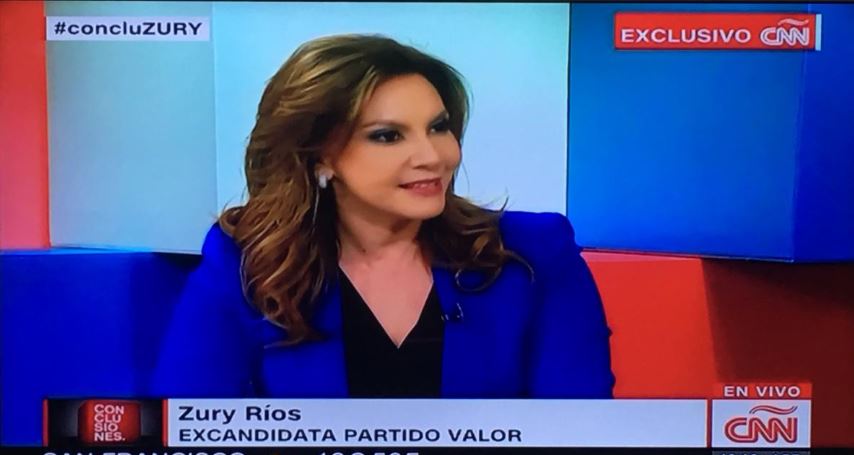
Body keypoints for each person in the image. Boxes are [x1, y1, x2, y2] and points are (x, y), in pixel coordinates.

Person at [150, 34, 615, 398]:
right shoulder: (249, 262)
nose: (433, 156)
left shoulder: (533, 253)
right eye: (389, 136)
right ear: (320, 156)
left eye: (439, 128)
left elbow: (579, 426)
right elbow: (188, 420)